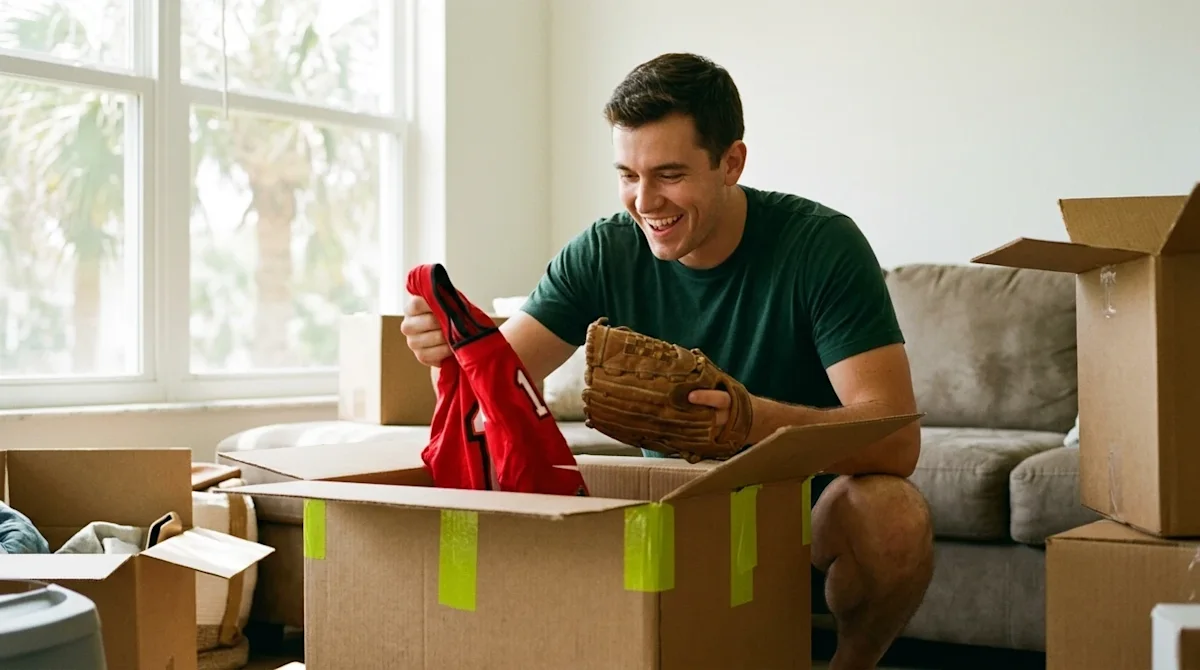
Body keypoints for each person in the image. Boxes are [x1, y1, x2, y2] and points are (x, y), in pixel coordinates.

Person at [400, 52, 934, 670]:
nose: (644, 200)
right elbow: (497, 381)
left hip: (807, 518)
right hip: (678, 513)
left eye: (670, 174)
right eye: (627, 174)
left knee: (895, 517)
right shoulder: (605, 250)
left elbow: (896, 440)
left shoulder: (822, 246)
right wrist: (453, 345)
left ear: (731, 162)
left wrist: (748, 422)